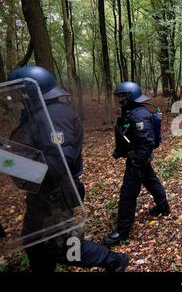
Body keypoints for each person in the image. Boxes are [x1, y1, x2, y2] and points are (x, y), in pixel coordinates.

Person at [7, 65, 129, 272]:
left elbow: (59, 163)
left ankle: (114, 261)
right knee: (35, 243)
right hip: (41, 193)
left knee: (62, 246)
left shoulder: (55, 116)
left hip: (56, 193)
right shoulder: (39, 113)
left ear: (29, 92)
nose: (17, 98)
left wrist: (9, 162)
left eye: (19, 93)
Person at [103, 82, 170, 246]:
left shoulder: (139, 115)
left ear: (130, 96)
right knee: (151, 181)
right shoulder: (130, 112)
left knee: (128, 194)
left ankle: (122, 231)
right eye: (118, 96)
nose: (119, 99)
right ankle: (163, 207)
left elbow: (147, 142)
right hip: (138, 159)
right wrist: (120, 152)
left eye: (122, 96)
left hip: (137, 161)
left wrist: (137, 162)